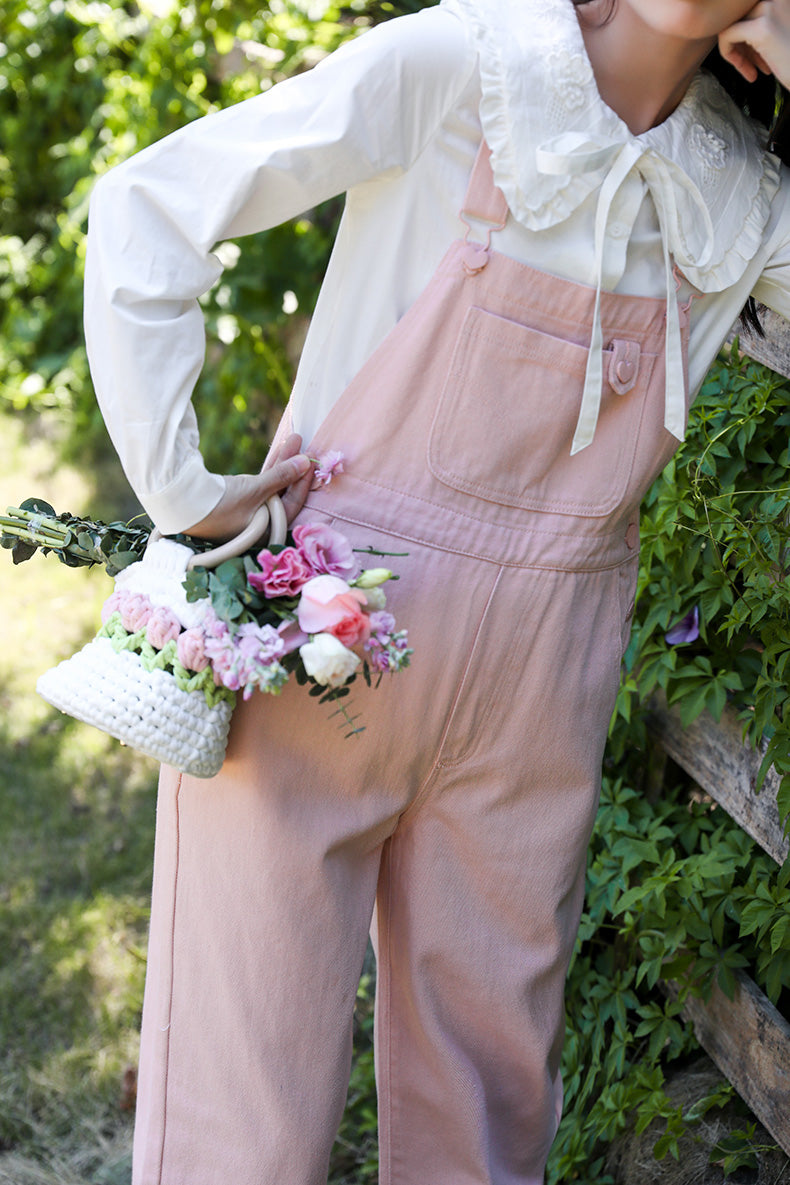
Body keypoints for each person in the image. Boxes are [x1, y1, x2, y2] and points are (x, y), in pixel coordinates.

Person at [83, 1, 790, 1182]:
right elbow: (150, 203)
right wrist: (180, 485)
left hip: (539, 694)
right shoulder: (468, 60)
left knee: (487, 1109)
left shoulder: (739, 194)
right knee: (233, 1110)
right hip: (316, 638)